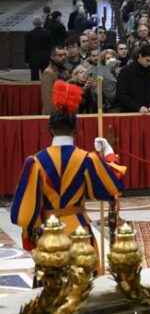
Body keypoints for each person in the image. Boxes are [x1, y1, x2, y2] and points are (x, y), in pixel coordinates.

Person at [11, 80, 125, 253]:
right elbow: (112, 186)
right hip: (80, 234)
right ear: (75, 129)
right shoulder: (87, 159)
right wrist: (109, 153)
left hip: (49, 235)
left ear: (49, 129)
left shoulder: (35, 162)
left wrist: (29, 238)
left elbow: (27, 212)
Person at [115, 44, 150, 113]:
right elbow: (121, 94)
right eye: (147, 60)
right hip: (129, 113)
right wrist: (137, 107)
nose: (149, 63)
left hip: (148, 111)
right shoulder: (126, 71)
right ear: (140, 56)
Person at [40, 45, 68, 114]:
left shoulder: (64, 70)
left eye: (64, 55)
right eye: (60, 55)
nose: (63, 57)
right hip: (54, 115)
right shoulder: (48, 73)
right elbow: (47, 100)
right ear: (52, 57)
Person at [25, 16, 53, 81]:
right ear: (42, 23)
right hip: (45, 57)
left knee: (34, 77)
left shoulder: (29, 34)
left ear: (33, 23)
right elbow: (50, 46)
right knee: (46, 76)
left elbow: (27, 48)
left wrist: (26, 60)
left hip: (33, 58)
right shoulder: (47, 33)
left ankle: (34, 90)